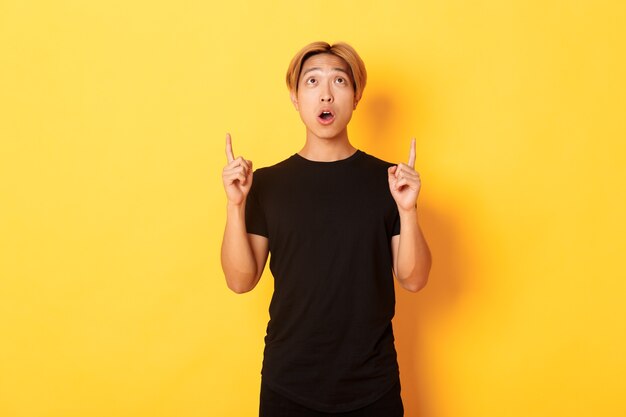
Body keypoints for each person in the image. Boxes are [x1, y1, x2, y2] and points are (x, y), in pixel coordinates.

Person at [221, 41, 431, 417]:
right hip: (288, 384)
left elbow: (413, 279)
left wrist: (409, 209)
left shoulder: (388, 182)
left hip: (372, 385)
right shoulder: (266, 185)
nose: (326, 94)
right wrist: (235, 205)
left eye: (340, 82)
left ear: (356, 97)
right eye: (312, 82)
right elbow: (240, 280)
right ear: (295, 97)